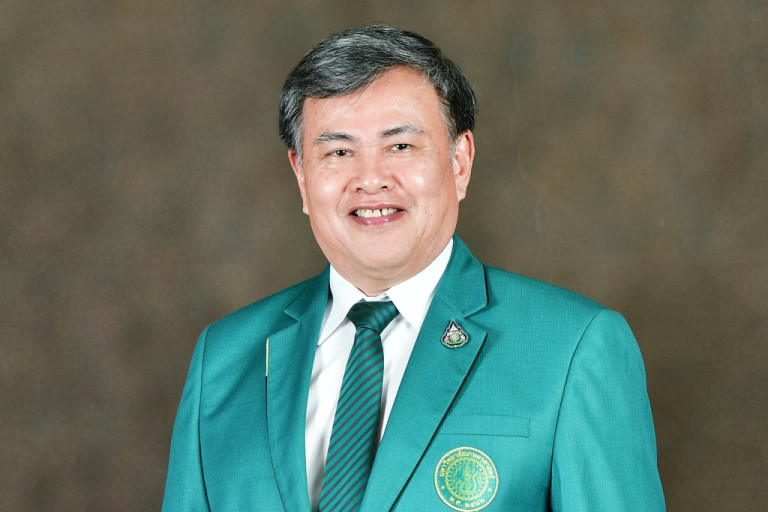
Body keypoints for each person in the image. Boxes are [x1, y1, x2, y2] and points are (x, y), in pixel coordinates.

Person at [162, 25, 665, 511]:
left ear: (460, 161)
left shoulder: (573, 348)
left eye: (400, 146)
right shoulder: (225, 359)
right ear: (301, 177)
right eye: (339, 151)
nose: (371, 180)